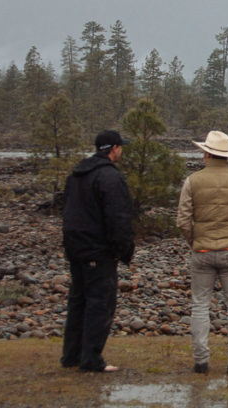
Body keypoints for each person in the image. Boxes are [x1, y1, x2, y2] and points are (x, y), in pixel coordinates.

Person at [177, 130, 228, 375]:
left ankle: (201, 361)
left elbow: (183, 220)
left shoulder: (192, 181)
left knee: (200, 305)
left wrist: (193, 241)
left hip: (201, 250)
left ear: (206, 154)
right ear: (227, 155)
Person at [61, 130, 135, 373]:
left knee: (78, 301)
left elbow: (68, 211)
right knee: (99, 304)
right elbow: (118, 218)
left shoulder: (76, 174)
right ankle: (91, 359)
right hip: (98, 251)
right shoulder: (109, 178)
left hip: (76, 249)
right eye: (120, 147)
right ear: (113, 148)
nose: (121, 150)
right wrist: (123, 251)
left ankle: (71, 355)